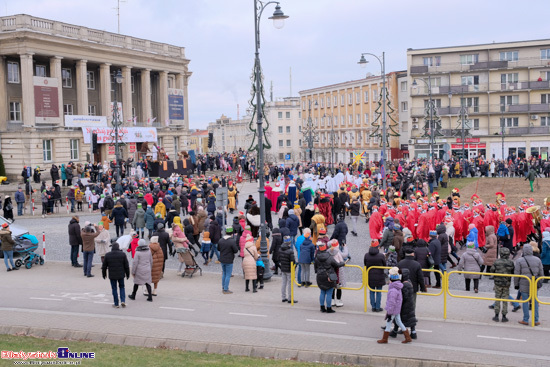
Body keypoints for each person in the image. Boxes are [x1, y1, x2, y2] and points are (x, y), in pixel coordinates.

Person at [377, 267, 412, 344]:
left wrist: (389, 313)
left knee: (389, 323)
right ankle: (408, 337)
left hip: (392, 309)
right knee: (399, 321)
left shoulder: (393, 289)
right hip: (397, 309)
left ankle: (385, 339)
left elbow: (391, 302)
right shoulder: (398, 287)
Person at [515, 243, 543, 326]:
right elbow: (541, 274)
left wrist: (516, 285)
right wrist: (540, 283)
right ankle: (536, 320)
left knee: (525, 302)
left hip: (524, 283)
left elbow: (517, 274)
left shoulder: (519, 260)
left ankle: (525, 319)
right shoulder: (538, 260)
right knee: (534, 302)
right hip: (534, 284)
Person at [314, 241, 344, 313]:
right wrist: (342, 263)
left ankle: (322, 307)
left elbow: (315, 269)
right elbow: (337, 265)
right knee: (329, 293)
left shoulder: (316, 257)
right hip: (328, 276)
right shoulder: (329, 257)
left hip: (320, 276)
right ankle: (329, 308)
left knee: (322, 292)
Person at [388, 268, 418, 340]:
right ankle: (413, 333)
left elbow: (403, 296)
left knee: (398, 318)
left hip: (403, 305)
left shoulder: (403, 285)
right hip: (410, 304)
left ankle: (395, 332)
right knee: (410, 318)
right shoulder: (409, 282)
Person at [102, 242, 130, 308]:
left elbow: (104, 266)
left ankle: (116, 303)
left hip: (112, 275)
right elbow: (126, 265)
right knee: (122, 287)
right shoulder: (123, 254)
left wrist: (104, 274)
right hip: (121, 274)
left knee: (114, 288)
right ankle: (123, 300)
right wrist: (127, 274)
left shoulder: (107, 255)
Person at [490, 247, 514, 322]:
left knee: (497, 299)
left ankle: (496, 315)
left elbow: (492, 270)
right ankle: (504, 316)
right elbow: (513, 272)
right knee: (505, 300)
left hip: (497, 283)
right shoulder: (510, 262)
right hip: (506, 283)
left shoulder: (496, 262)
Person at [364, 240, 386, 312]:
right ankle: (377, 307)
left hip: (370, 276)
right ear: (378, 247)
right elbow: (384, 265)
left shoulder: (366, 255)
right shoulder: (381, 256)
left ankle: (373, 306)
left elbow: (365, 264)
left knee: (372, 292)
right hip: (380, 276)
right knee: (379, 292)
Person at [218, 227, 239, 294]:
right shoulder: (232, 241)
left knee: (224, 273)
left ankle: (223, 287)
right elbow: (236, 250)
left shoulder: (221, 240)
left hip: (222, 259)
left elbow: (218, 249)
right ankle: (226, 289)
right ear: (231, 233)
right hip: (229, 259)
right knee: (228, 275)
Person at [279, 236, 296, 303]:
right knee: (290, 284)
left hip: (283, 268)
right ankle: (290, 298)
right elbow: (293, 261)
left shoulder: (280, 249)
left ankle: (283, 297)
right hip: (289, 269)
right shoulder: (290, 251)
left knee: (284, 283)